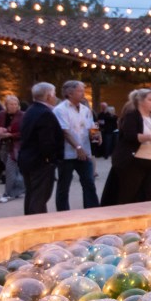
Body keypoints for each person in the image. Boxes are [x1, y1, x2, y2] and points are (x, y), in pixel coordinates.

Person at [108, 88, 151, 205]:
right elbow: (130, 136)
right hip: (137, 162)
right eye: (150, 100)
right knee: (129, 194)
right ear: (140, 101)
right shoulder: (132, 116)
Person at [53, 80, 100, 211]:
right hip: (67, 154)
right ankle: (63, 213)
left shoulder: (86, 110)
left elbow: (91, 126)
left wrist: (96, 135)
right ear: (69, 93)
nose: (83, 93)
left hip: (85, 152)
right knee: (64, 185)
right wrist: (77, 147)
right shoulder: (60, 110)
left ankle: (92, 210)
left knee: (89, 182)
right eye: (80, 91)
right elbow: (64, 131)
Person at [18, 82, 63, 215]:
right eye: (54, 94)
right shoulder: (45, 113)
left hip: (28, 158)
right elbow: (47, 141)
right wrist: (51, 159)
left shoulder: (31, 110)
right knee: (40, 196)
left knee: (32, 194)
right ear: (48, 96)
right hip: (40, 161)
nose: (55, 97)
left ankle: (31, 221)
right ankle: (37, 223)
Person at [0, 95, 25, 203]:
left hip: (16, 146)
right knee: (15, 170)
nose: (13, 106)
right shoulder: (1, 115)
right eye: (11, 104)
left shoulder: (23, 115)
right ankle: (20, 189)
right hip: (3, 145)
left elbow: (24, 132)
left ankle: (7, 193)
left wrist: (11, 135)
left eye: (15, 104)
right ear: (6, 105)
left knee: (10, 169)